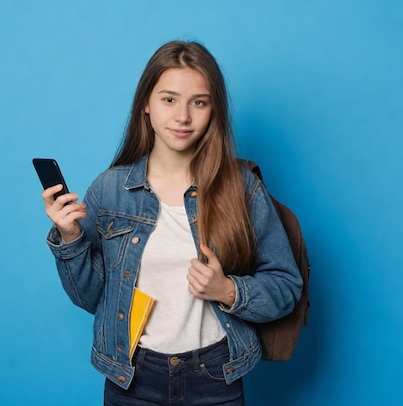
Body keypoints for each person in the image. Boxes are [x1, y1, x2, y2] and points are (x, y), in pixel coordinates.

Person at [41, 40, 302, 405]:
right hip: (131, 376)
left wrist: (228, 291)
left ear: (214, 111)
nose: (183, 116)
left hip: (215, 374)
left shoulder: (241, 188)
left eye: (199, 101)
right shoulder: (110, 189)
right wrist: (70, 238)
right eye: (169, 99)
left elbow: (287, 286)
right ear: (145, 104)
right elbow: (90, 297)